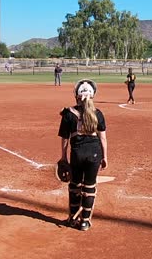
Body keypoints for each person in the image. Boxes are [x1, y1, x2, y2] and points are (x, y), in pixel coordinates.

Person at [58, 79, 108, 231]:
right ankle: (85, 222)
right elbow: (103, 137)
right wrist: (105, 156)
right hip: (94, 154)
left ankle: (72, 218)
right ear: (92, 95)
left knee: (75, 186)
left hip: (77, 154)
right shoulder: (98, 113)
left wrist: (63, 157)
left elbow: (65, 139)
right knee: (90, 187)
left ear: (76, 95)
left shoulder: (68, 114)